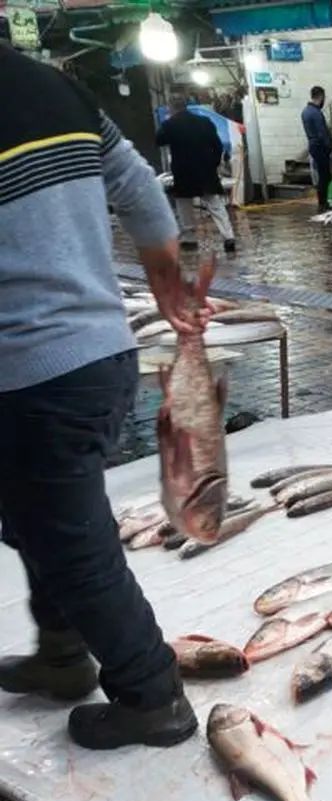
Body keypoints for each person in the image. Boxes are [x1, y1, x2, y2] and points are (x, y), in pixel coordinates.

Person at [0, 42, 201, 750]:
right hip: (100, 353)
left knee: (72, 542)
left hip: (33, 371)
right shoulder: (56, 87)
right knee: (35, 516)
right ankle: (62, 654)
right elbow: (142, 192)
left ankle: (153, 695)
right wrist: (166, 287)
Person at [156, 92, 236, 254]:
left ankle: (190, 238)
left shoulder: (170, 124)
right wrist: (213, 164)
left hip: (183, 172)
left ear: (171, 108)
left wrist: (166, 123)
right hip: (206, 170)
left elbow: (158, 141)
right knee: (215, 205)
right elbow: (218, 146)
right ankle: (228, 237)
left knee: (184, 205)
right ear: (186, 106)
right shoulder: (204, 122)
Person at [301, 86, 332, 211]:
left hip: (313, 145)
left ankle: (322, 202)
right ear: (321, 96)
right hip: (321, 147)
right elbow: (322, 133)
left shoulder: (305, 111)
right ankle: (323, 203)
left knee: (321, 175)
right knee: (325, 176)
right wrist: (330, 147)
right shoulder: (316, 113)